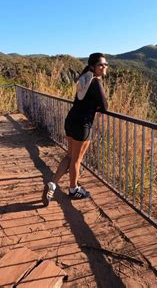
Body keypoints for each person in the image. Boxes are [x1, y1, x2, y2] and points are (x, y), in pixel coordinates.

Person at [42, 53, 109, 205]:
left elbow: (80, 100)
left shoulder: (83, 78)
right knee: (77, 160)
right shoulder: (95, 82)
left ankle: (52, 183)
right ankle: (73, 189)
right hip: (82, 124)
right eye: (101, 65)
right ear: (93, 66)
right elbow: (105, 106)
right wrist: (96, 106)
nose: (104, 67)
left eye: (106, 64)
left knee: (69, 156)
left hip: (71, 120)